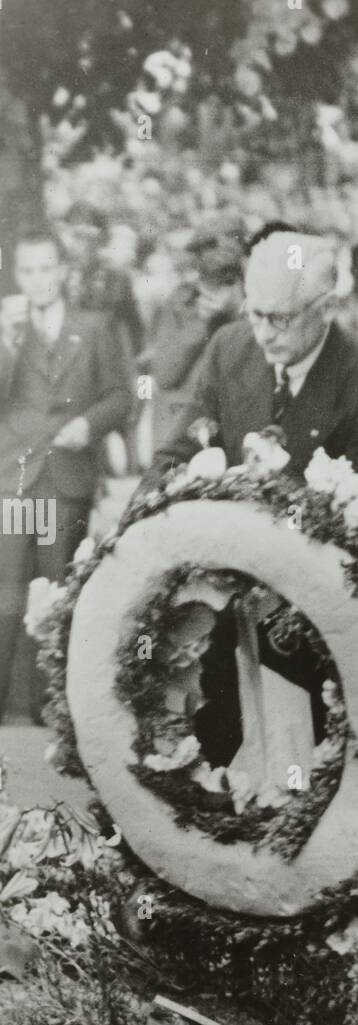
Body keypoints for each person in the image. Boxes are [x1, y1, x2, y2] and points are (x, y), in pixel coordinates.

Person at [134, 224, 358, 767]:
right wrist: (139, 526)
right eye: (254, 312)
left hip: (320, 620)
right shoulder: (229, 347)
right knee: (214, 744)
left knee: (302, 774)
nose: (263, 332)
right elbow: (177, 453)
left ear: (327, 306)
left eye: (280, 318)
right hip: (223, 603)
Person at [0, 227, 133, 721]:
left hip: (67, 477)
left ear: (62, 271)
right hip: (15, 480)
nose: (39, 281)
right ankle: (8, 708)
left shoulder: (94, 326)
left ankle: (54, 706)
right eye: (28, 271)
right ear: (18, 275)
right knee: (9, 591)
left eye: (47, 269)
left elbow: (123, 395)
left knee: (58, 589)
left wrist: (89, 423)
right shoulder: (7, 328)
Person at [145, 211, 245, 446]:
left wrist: (238, 311)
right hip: (186, 431)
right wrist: (201, 322)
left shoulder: (256, 306)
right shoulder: (181, 303)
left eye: (228, 280)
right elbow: (165, 375)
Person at [61, 201, 144, 356]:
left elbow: (134, 332)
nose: (79, 245)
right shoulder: (58, 279)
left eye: (86, 237)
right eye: (75, 237)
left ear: (100, 240)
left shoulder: (117, 280)